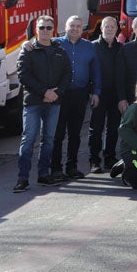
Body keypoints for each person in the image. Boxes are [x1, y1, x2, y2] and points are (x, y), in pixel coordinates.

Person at [14, 16, 71, 193]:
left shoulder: (60, 50)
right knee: (29, 139)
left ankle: (43, 175)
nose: (45, 30)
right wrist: (44, 92)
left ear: (53, 30)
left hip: (54, 102)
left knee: (49, 139)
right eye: (42, 27)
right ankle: (22, 179)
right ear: (36, 30)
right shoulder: (28, 50)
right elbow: (23, 75)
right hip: (33, 102)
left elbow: (67, 74)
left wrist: (56, 93)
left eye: (48, 27)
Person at [47, 15, 101, 182]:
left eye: (78, 26)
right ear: (66, 26)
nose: (75, 29)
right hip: (60, 95)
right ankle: (55, 168)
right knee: (58, 134)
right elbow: (37, 46)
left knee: (75, 133)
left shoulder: (89, 47)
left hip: (80, 94)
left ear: (82, 28)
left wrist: (96, 92)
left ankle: (72, 166)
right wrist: (27, 44)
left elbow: (96, 71)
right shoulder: (55, 43)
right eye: (72, 25)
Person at [89, 16, 123, 174]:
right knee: (96, 128)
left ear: (117, 29)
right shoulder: (92, 47)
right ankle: (94, 160)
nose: (109, 29)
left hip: (116, 95)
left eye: (112, 27)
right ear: (101, 29)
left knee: (114, 128)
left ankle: (110, 157)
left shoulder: (121, 48)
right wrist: (92, 92)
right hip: (98, 94)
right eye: (106, 27)